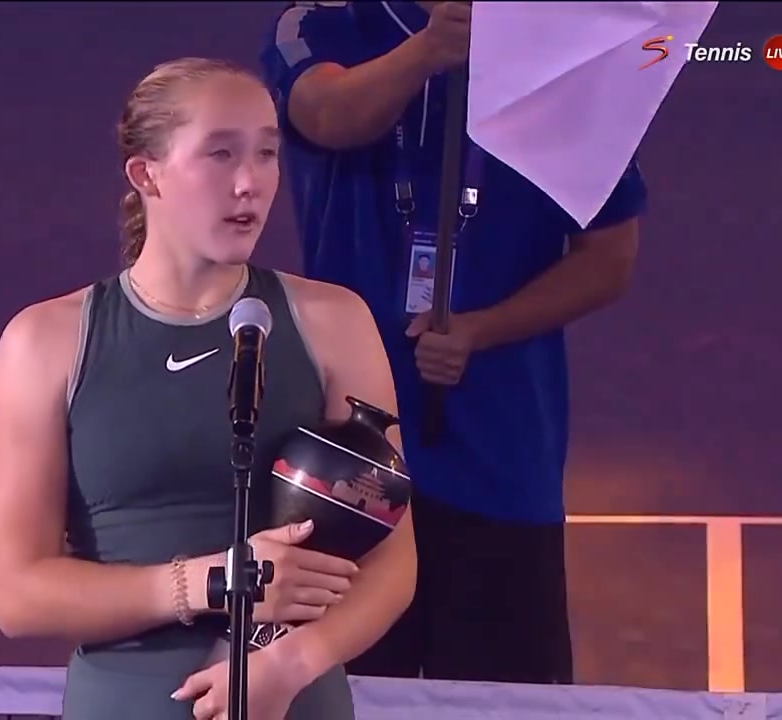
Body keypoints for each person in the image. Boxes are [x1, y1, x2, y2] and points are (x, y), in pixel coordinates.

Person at [0, 57, 416, 720]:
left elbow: (392, 562)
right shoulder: (43, 341)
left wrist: (285, 668)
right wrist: (213, 581)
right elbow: (19, 595)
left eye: (266, 154)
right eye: (220, 154)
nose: (250, 182)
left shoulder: (335, 322)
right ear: (146, 174)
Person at [261, 1, 648, 684]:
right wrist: (429, 51)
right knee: (343, 693)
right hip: (347, 449)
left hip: (501, 450)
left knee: (503, 698)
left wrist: (481, 328)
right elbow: (328, 116)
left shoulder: (563, 63)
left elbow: (609, 257)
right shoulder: (322, 22)